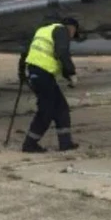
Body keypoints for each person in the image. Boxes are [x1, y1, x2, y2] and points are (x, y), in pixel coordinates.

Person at [18, 17, 81, 153]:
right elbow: (62, 52)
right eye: (73, 33)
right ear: (72, 28)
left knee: (61, 107)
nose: (71, 37)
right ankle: (29, 144)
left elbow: (26, 52)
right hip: (43, 74)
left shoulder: (43, 31)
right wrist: (72, 73)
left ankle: (65, 143)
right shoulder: (62, 31)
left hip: (37, 73)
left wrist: (22, 73)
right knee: (46, 110)